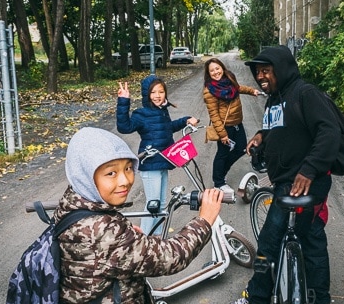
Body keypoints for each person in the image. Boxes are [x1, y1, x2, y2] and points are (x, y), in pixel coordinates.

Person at [55, 127, 223, 303]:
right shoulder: (104, 232)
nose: (125, 180)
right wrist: (204, 220)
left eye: (128, 168)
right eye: (111, 173)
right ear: (85, 176)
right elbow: (171, 257)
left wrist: (127, 239)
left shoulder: (73, 202)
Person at [231, 45, 340, 304]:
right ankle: (319, 298)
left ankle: (256, 297)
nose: (260, 77)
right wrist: (262, 135)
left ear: (282, 69)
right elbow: (278, 127)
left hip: (302, 183)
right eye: (258, 73)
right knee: (312, 239)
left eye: (266, 71)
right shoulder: (275, 99)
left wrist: (309, 169)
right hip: (286, 180)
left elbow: (329, 131)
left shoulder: (305, 93)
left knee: (269, 243)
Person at [116, 75, 198, 235]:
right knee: (152, 203)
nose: (158, 95)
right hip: (150, 163)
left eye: (161, 91)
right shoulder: (141, 114)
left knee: (161, 204)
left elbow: (167, 128)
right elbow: (124, 127)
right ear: (147, 94)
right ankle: (145, 239)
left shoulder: (162, 111)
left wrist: (185, 120)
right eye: (153, 92)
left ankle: (158, 237)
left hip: (164, 161)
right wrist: (123, 101)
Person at [202, 58, 261, 193]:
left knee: (241, 148)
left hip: (237, 123)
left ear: (222, 67)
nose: (216, 72)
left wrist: (252, 91)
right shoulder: (210, 90)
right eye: (212, 70)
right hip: (225, 127)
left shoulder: (229, 79)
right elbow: (214, 115)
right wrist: (222, 134)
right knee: (222, 154)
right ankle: (218, 182)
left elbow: (238, 88)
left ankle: (222, 172)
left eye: (217, 68)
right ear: (208, 73)